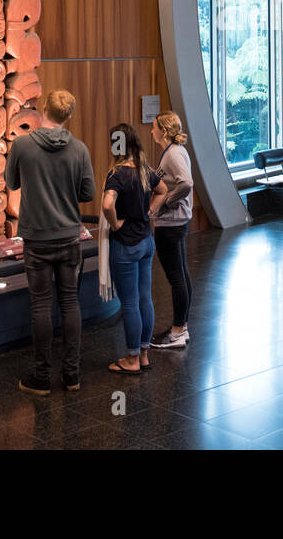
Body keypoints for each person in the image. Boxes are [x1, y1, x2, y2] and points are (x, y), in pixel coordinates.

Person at [5, 89, 95, 395]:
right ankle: (72, 375)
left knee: (40, 305)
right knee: (70, 303)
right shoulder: (80, 149)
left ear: (44, 110)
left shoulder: (22, 145)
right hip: (69, 237)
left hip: (37, 238)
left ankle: (42, 377)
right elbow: (88, 193)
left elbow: (11, 182)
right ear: (69, 115)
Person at [102, 123, 167, 374]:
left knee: (128, 303)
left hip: (126, 245)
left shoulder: (116, 174)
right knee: (145, 298)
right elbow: (162, 190)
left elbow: (108, 204)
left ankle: (131, 359)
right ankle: (144, 355)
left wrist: (115, 224)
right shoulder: (143, 170)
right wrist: (150, 211)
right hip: (146, 242)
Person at [149, 112, 194, 351]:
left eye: (154, 127)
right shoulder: (174, 151)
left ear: (164, 131)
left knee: (176, 277)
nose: (151, 131)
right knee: (182, 275)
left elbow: (186, 183)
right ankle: (181, 327)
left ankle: (177, 331)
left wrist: (166, 202)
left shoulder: (174, 153)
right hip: (177, 221)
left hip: (171, 223)